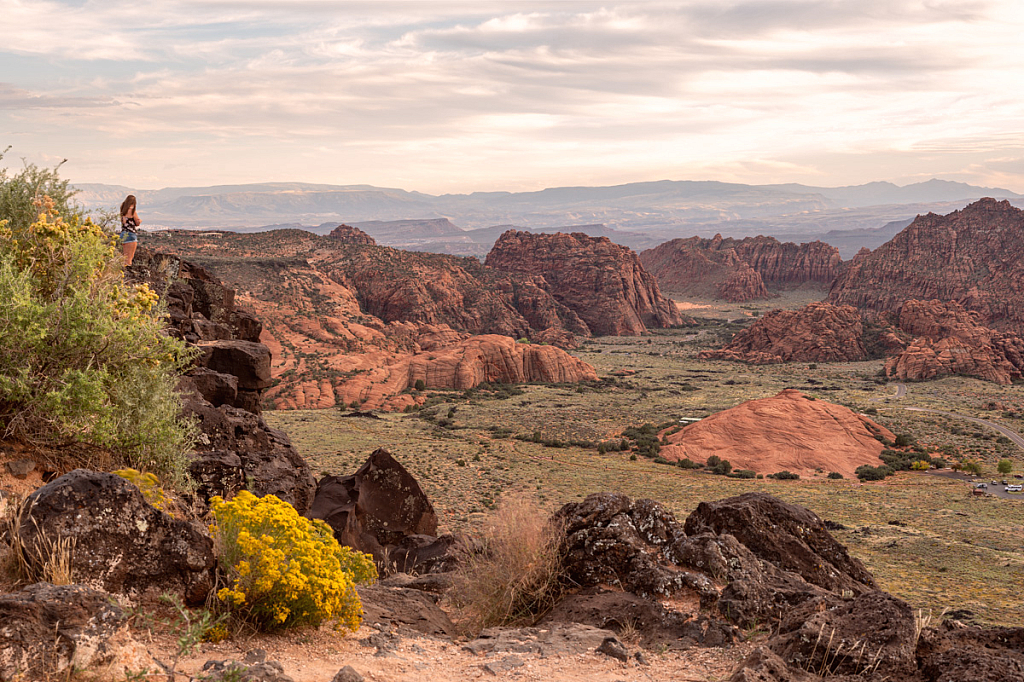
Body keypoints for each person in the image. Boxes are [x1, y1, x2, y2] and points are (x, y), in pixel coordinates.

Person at [120, 194, 141, 265]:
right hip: (131, 234)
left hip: (123, 234)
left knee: (125, 257)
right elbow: (137, 222)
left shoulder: (123, 211)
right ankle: (127, 274)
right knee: (129, 258)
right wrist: (140, 220)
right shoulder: (132, 211)